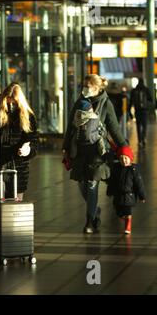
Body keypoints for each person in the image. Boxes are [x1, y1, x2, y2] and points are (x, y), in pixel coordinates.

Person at [63, 74, 129, 234]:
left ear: (97, 88)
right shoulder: (79, 102)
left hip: (97, 152)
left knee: (92, 185)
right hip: (79, 151)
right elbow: (70, 126)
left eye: (88, 86)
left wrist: (124, 148)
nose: (84, 88)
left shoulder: (106, 104)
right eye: (84, 85)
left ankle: (90, 220)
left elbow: (114, 128)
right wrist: (66, 148)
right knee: (81, 184)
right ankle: (95, 210)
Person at [107, 146, 145, 235]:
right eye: (121, 158)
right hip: (118, 195)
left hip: (129, 195)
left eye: (126, 158)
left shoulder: (133, 170)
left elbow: (139, 184)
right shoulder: (116, 169)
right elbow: (112, 181)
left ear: (130, 158)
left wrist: (141, 195)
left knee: (128, 211)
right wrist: (109, 191)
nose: (124, 160)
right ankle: (123, 216)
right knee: (118, 211)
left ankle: (128, 225)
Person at [130, 78, 152, 147]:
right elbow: (150, 99)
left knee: (138, 126)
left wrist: (129, 111)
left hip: (137, 110)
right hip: (144, 110)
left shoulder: (134, 90)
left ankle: (139, 141)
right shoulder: (146, 89)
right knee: (144, 125)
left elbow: (131, 101)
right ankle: (144, 138)